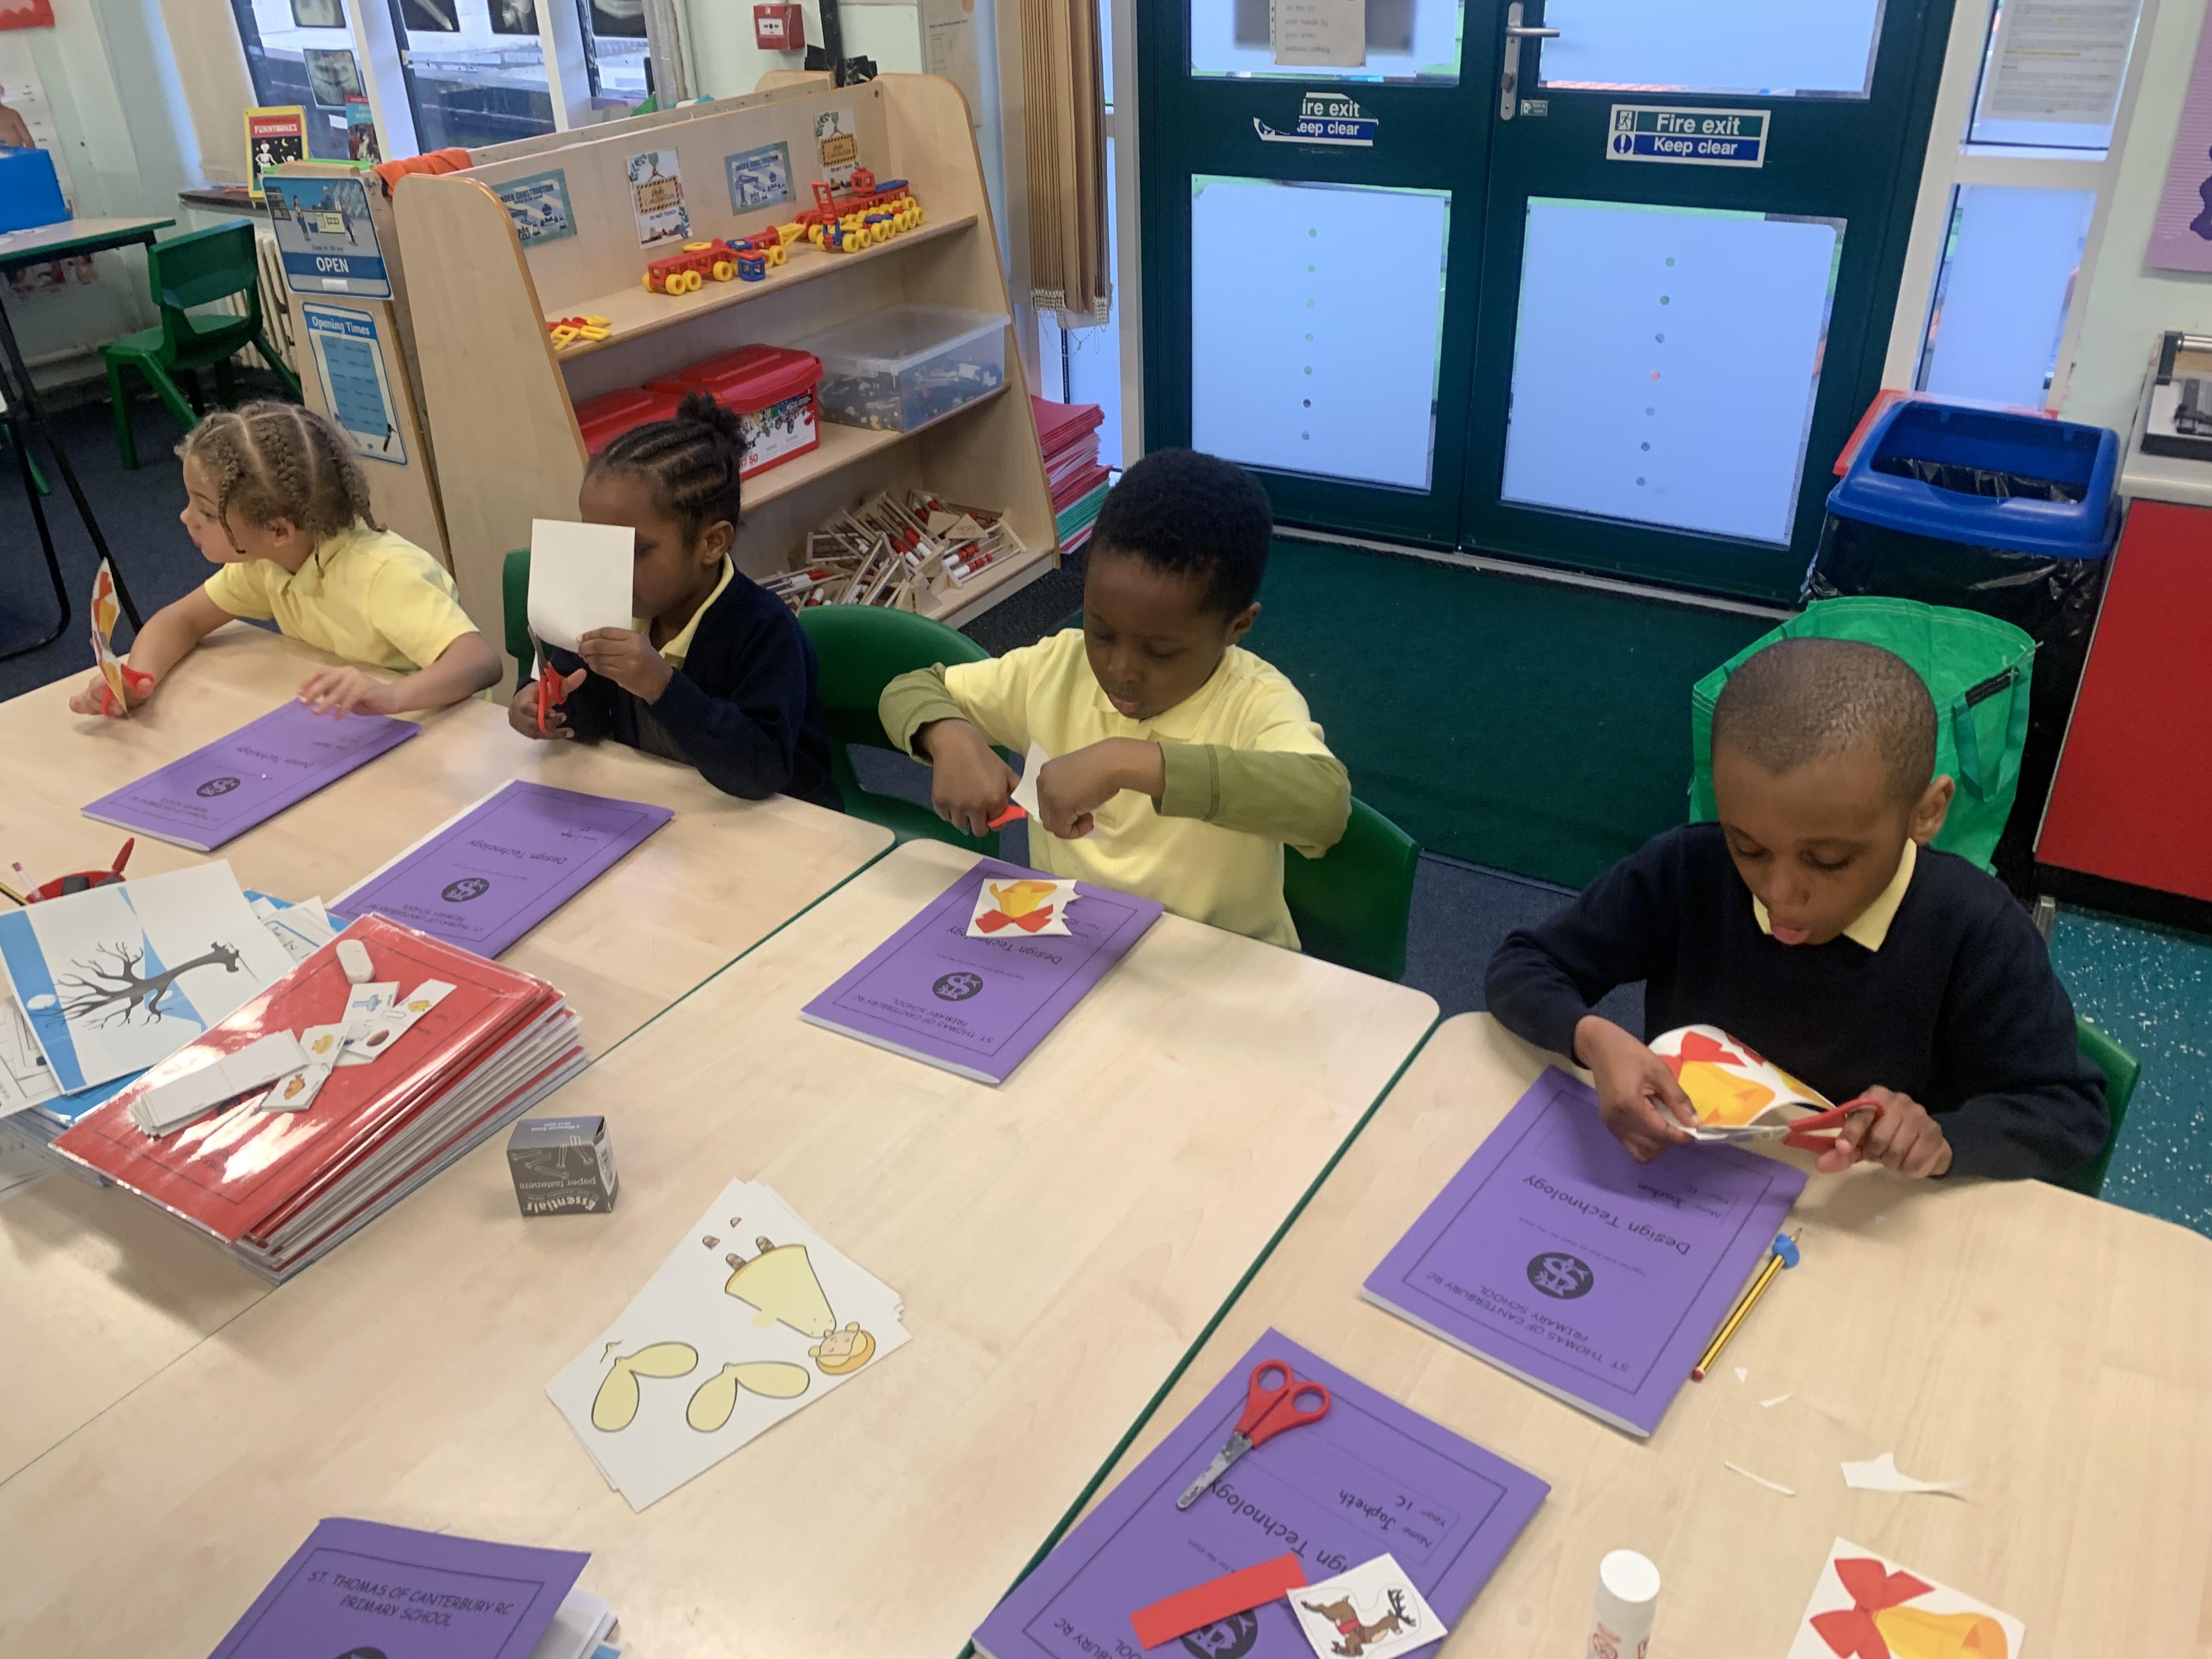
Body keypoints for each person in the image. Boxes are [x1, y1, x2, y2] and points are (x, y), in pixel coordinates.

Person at [1485, 636, 2106, 1183]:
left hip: (1860, 1213)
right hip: (1692, 1183)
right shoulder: (1686, 870)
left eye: (1828, 861)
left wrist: (1942, 1140)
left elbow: (2068, 1111)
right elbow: (1524, 965)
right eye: (1748, 847)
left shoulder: (1977, 928)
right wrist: (1592, 1039)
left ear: (1926, 813)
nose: (1779, 892)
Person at [878, 448, 1348, 947]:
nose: (1120, 670)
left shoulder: (1254, 701)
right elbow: (908, 688)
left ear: (1237, 627)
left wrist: (1127, 762)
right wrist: (948, 737)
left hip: (1217, 965)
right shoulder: (1057, 669)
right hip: (1076, 950)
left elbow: (1325, 805)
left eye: (1160, 652)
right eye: (1100, 632)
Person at [511, 392, 840, 810]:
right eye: (596, 543)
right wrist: (545, 704)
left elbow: (760, 770)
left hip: (781, 821)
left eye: (633, 551)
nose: (607, 569)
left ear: (711, 544)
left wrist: (661, 686)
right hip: (669, 807)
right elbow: (589, 714)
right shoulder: (609, 604)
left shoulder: (766, 631)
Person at [70, 402, 499, 718]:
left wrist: (393, 695)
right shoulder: (268, 564)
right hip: (365, 732)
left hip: (445, 729)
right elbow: (181, 620)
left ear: (278, 531)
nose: (186, 518)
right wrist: (139, 680)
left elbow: (479, 662)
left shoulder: (383, 574)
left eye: (205, 512)